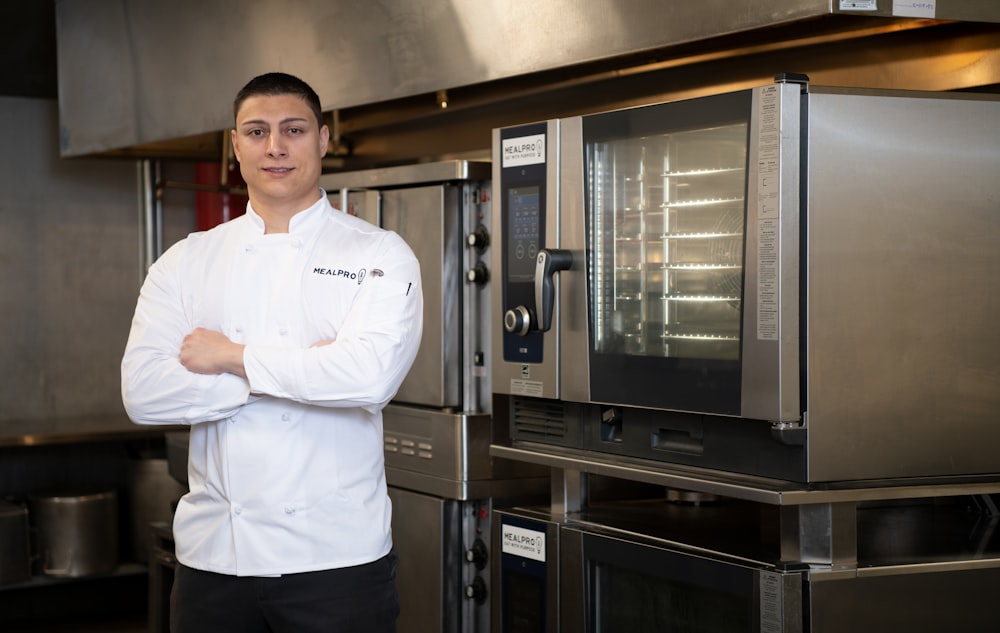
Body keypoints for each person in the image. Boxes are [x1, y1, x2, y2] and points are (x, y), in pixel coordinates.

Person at [121, 72, 423, 633]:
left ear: (324, 139)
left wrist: (228, 355)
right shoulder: (185, 261)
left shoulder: (380, 253)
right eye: (257, 132)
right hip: (214, 561)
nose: (276, 147)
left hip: (337, 562)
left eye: (294, 130)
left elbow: (370, 377)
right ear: (236, 146)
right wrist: (305, 369)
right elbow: (143, 393)